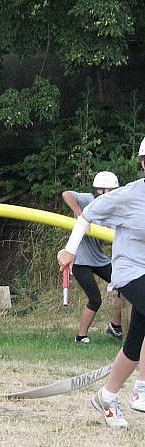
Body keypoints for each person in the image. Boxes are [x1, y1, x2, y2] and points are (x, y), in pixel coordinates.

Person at [58, 138, 145, 428]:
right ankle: (142, 389)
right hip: (130, 272)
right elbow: (87, 217)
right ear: (143, 163)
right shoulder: (129, 195)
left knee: (135, 341)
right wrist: (70, 250)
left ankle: (107, 396)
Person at [61, 171, 123, 343]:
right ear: (99, 191)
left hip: (99, 259)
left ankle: (115, 326)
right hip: (81, 261)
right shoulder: (88, 200)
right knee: (95, 299)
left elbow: (106, 242)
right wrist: (80, 214)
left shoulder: (111, 212)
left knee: (125, 285)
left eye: (113, 191)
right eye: (108, 190)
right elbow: (66, 195)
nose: (111, 194)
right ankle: (81, 336)